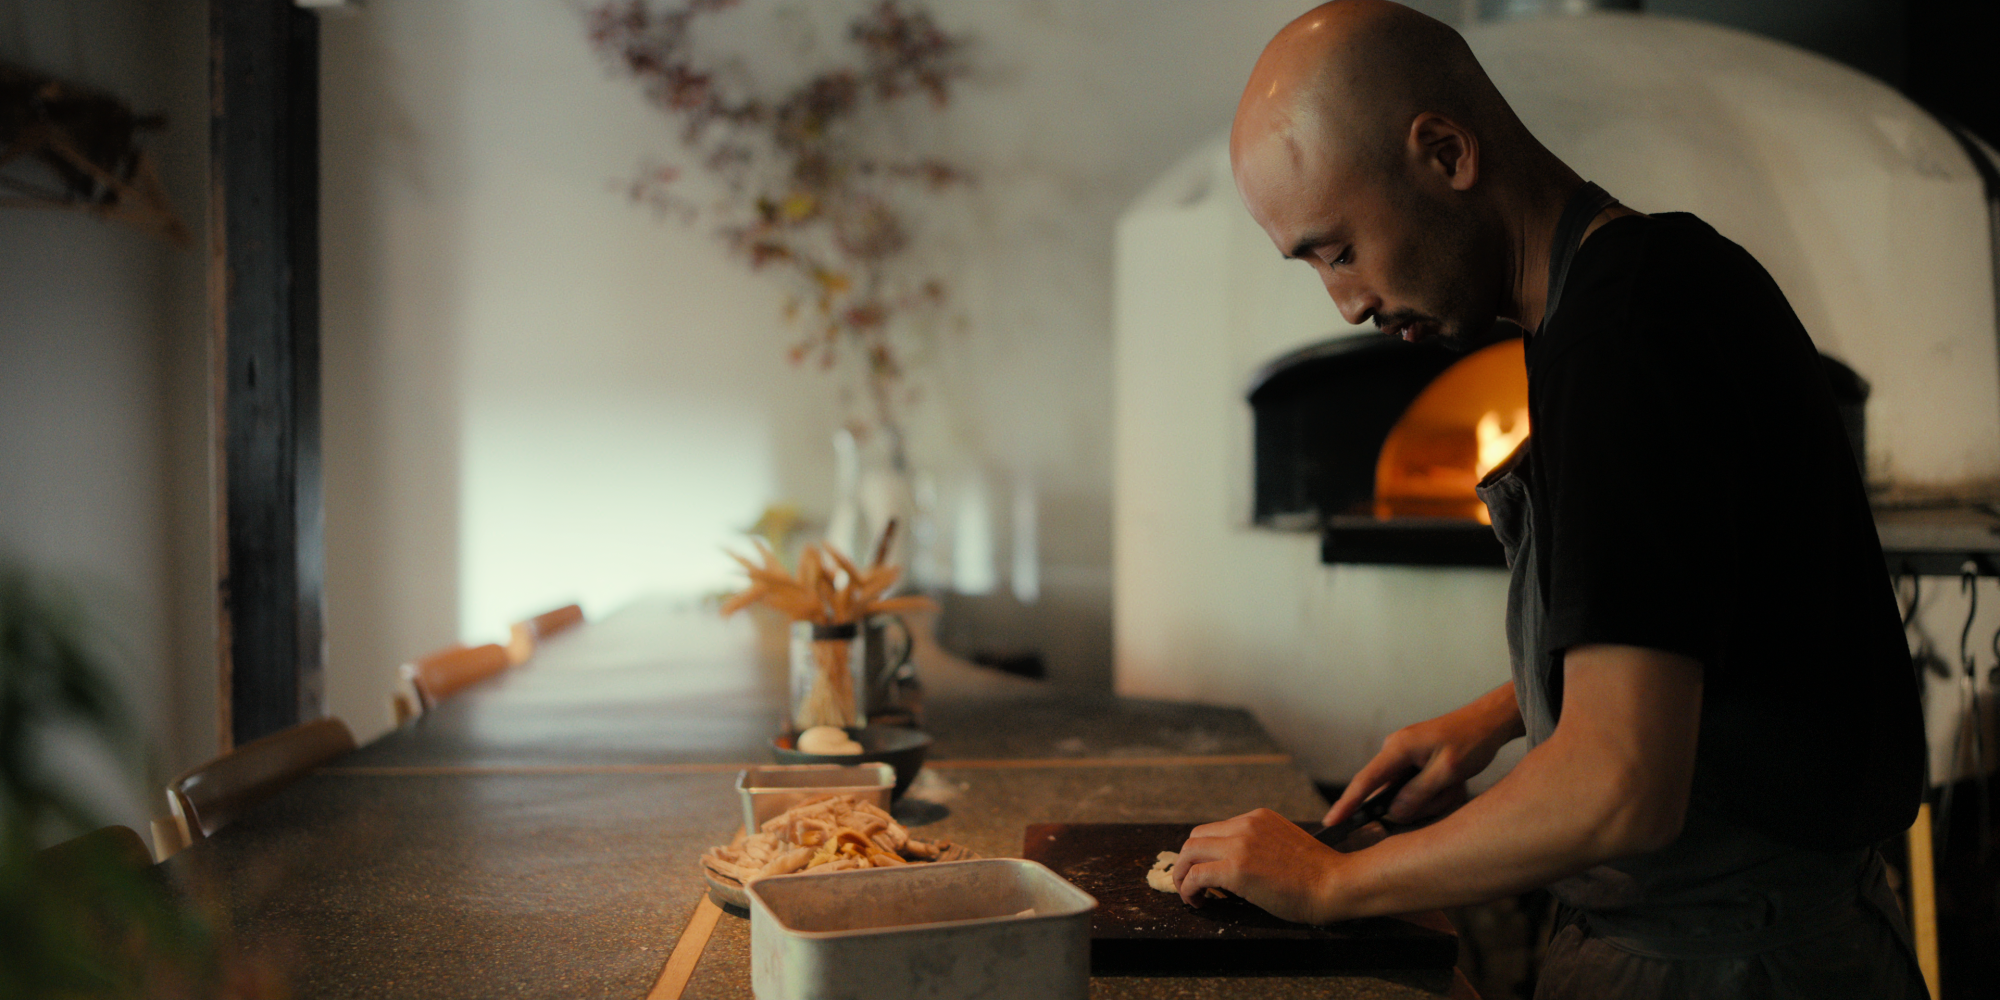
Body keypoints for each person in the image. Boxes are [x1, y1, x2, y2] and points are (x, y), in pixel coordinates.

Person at [1170, 3, 1930, 997]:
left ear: (1443, 152)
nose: (1344, 302)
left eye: (1337, 249)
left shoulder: (1617, 343)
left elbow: (1619, 788)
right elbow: (1704, 606)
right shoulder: (1660, 277)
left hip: (1724, 962)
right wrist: (1497, 715)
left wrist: (1331, 880)